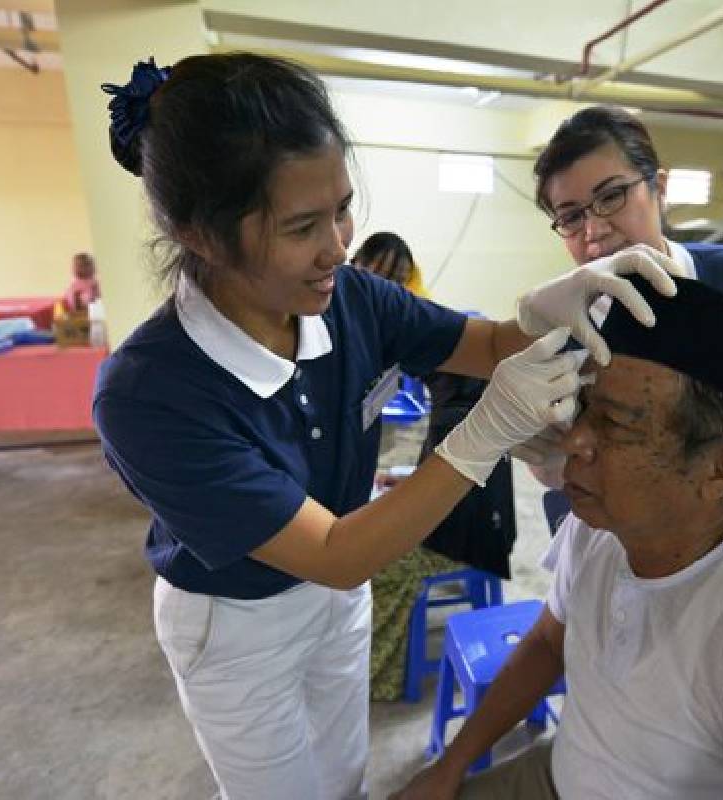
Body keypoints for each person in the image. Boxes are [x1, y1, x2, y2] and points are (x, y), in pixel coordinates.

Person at [92, 54, 678, 800]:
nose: (338, 245)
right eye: (303, 226)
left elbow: (487, 343)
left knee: (343, 774)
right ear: (201, 234)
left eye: (341, 208)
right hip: (237, 622)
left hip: (338, 598)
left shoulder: (351, 299)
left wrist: (539, 312)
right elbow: (334, 552)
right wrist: (485, 432)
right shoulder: (152, 393)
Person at [394, 274, 723, 800]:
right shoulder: (598, 521)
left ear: (721, 470)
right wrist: (453, 765)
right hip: (560, 776)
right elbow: (546, 643)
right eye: (583, 407)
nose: (576, 440)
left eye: (617, 425)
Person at [521, 106, 723, 543]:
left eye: (611, 196)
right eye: (570, 216)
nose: (594, 230)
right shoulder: (565, 318)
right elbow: (557, 466)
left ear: (658, 188)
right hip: (611, 531)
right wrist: (548, 451)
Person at [352, 233, 517, 700]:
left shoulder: (459, 417)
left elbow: (445, 493)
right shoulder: (461, 408)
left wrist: (403, 493)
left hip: (464, 541)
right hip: (468, 526)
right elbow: (441, 477)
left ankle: (381, 678)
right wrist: (405, 480)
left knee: (367, 565)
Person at [353, 230, 430, 297]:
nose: (393, 288)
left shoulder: (411, 306)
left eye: (399, 281)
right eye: (385, 277)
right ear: (359, 263)